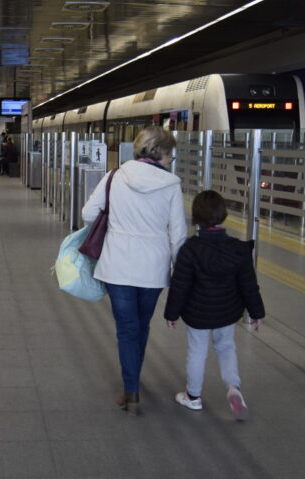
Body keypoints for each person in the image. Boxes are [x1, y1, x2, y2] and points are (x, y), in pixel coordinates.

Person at [81, 126, 187, 415]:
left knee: (127, 329)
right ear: (160, 152)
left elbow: (88, 214)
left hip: (118, 265)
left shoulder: (116, 176)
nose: (170, 160)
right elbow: (178, 235)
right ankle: (133, 379)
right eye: (170, 155)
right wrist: (181, 275)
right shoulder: (170, 185)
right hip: (153, 268)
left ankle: (131, 390)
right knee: (141, 325)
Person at [163, 190, 265, 421]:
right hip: (227, 312)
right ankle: (232, 387)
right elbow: (249, 285)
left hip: (198, 313)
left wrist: (172, 314)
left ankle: (193, 396)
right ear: (223, 215)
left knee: (197, 351)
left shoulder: (190, 250)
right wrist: (256, 313)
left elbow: (180, 286)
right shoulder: (238, 249)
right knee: (226, 347)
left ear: (196, 218)